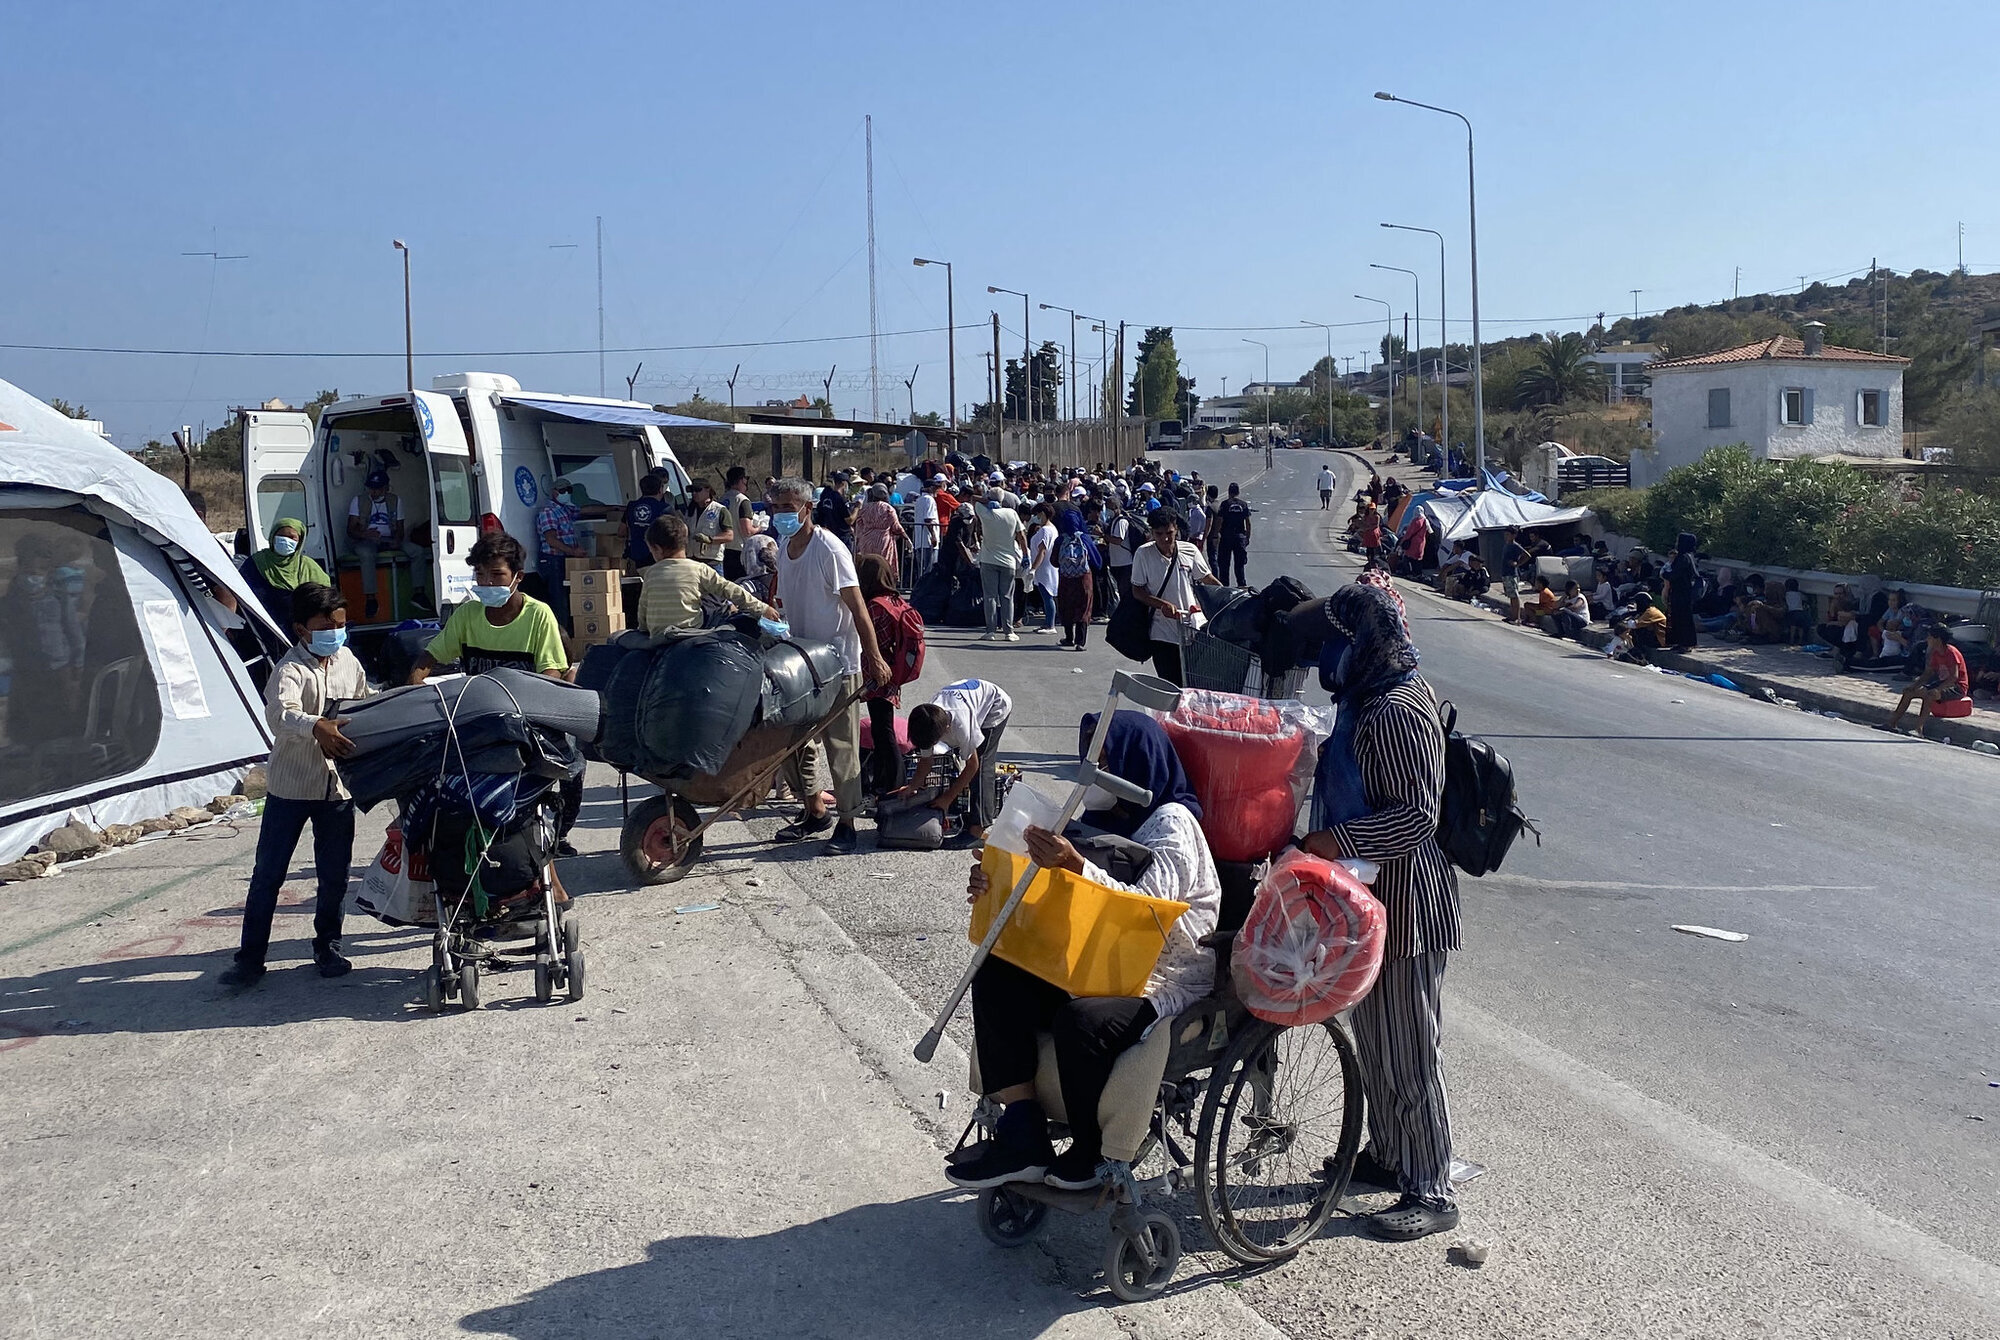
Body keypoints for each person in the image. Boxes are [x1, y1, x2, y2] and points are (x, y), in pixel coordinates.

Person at [947, 712, 1219, 1191]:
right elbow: (1054, 897)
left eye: (1106, 758)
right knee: (995, 973)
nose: (1092, 769)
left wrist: (1075, 866)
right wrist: (994, 879)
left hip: (1165, 973)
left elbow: (1149, 912)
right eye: (1090, 757)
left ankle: (1093, 1151)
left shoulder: (1172, 824)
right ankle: (1023, 1130)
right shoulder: (1095, 820)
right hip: (1102, 958)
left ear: (1136, 761)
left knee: (1082, 1022)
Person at [1297, 584, 1460, 1241]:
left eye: (1336, 640)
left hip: (1407, 902)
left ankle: (1431, 1186)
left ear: (1361, 641)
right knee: (1378, 1040)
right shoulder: (1366, 696)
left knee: (1409, 1052)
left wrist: (1338, 842)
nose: (1326, 655)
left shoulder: (1393, 708)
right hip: (1369, 899)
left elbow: (1417, 816)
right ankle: (1389, 1156)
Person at [217, 582, 369, 990]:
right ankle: (250, 960)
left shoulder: (348, 661)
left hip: (337, 789)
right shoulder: (289, 669)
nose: (336, 632)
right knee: (268, 875)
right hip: (290, 787)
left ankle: (328, 947)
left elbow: (363, 703)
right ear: (302, 629)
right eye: (327, 625)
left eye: (340, 624)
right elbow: (281, 716)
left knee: (334, 875)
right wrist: (315, 725)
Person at [407, 531, 579, 851]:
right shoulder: (468, 614)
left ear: (517, 577)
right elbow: (428, 659)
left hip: (528, 721)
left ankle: (559, 832)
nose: (486, 583)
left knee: (573, 764)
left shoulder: (538, 615)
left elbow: (551, 675)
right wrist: (413, 692)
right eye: (480, 575)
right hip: (479, 723)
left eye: (496, 574)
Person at [768, 478, 892, 855]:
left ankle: (848, 822)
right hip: (799, 662)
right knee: (791, 743)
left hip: (837, 662)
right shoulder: (787, 546)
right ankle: (814, 809)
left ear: (807, 508)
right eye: (777, 507)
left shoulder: (830, 549)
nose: (782, 514)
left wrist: (874, 657)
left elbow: (857, 608)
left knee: (841, 746)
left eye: (789, 507)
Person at [899, 677, 1012, 844]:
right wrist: (913, 786)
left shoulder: (961, 726)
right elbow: (926, 760)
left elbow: (973, 766)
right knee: (966, 760)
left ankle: (977, 829)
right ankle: (970, 812)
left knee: (982, 763)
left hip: (995, 705)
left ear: (946, 730)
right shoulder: (926, 719)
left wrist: (947, 798)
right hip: (969, 700)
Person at [635, 513, 775, 633]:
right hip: (691, 630)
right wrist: (763, 609)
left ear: (658, 549)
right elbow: (731, 590)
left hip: (658, 633)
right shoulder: (698, 569)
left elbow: (643, 608)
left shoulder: (651, 572)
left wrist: (643, 630)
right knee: (720, 606)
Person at [1130, 509, 1221, 687]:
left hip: (1193, 630)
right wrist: (1161, 604)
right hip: (1162, 633)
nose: (1165, 539)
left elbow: (1207, 579)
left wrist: (1229, 595)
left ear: (1176, 529)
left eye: (1169, 533)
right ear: (1151, 532)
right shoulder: (1143, 554)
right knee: (1171, 686)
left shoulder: (1190, 550)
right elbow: (1137, 591)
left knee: (1193, 686)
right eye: (1159, 534)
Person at [857, 554, 917, 796]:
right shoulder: (894, 600)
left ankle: (893, 784)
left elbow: (870, 640)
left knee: (883, 733)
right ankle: (883, 782)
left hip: (877, 674)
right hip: (893, 670)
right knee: (883, 730)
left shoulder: (874, 607)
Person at [347, 469, 427, 620]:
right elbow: (350, 531)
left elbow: (400, 529)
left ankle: (419, 593)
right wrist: (366, 534)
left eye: (378, 488)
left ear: (386, 488)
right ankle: (371, 599)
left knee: (417, 551)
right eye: (371, 488)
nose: (374, 492)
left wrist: (396, 540)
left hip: (388, 539)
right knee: (366, 554)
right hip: (366, 540)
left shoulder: (395, 501)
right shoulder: (358, 500)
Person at [242, 517, 331, 627]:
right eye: (281, 536)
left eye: (291, 537)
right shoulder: (256, 562)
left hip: (302, 628)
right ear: (273, 537)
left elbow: (324, 598)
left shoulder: (308, 566)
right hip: (264, 626)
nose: (285, 540)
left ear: (299, 541)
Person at [1882, 627, 1968, 733]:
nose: (1927, 639)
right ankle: (1891, 723)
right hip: (1942, 683)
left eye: (1930, 637)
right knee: (1909, 693)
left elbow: (1954, 677)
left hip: (1957, 687)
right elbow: (1928, 673)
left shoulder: (1951, 652)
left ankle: (1919, 729)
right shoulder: (1935, 652)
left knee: (1930, 695)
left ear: (1938, 639)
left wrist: (1938, 689)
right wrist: (1914, 686)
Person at [534, 475, 590, 629]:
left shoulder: (564, 509)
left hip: (563, 560)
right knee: (559, 602)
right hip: (552, 560)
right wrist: (573, 551)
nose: (566, 493)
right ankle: (560, 639)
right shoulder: (548, 512)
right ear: (554, 492)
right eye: (563, 490)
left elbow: (584, 510)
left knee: (567, 600)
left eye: (569, 489)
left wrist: (615, 508)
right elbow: (551, 540)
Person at [973, 487, 1024, 642]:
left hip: (988, 559)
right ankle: (1009, 631)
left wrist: (987, 500)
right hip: (1008, 561)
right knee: (1007, 596)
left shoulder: (986, 513)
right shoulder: (1012, 513)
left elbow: (974, 498)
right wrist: (1026, 554)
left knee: (990, 596)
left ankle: (991, 631)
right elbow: (1021, 535)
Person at [1052, 506, 1100, 651]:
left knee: (1067, 607)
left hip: (1066, 578)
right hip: (1084, 579)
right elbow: (1097, 562)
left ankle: (1068, 638)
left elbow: (1053, 561)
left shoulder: (1060, 539)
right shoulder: (1085, 538)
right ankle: (1080, 642)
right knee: (1084, 608)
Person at [853, 483, 908, 586]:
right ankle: (883, 586)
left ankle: (868, 586)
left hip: (867, 540)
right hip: (883, 540)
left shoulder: (864, 508)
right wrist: (905, 537)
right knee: (883, 564)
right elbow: (896, 526)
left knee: (869, 564)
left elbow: (858, 525)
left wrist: (860, 538)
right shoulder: (888, 508)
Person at [683, 478, 734, 573]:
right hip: (691, 561)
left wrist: (710, 539)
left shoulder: (719, 510)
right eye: (692, 491)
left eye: (698, 490)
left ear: (708, 490)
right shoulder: (690, 510)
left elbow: (729, 536)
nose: (694, 493)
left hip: (712, 563)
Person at [621, 472, 670, 568]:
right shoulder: (665, 509)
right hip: (658, 558)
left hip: (636, 557)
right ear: (660, 490)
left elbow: (621, 531)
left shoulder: (631, 506)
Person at [720, 466, 759, 582]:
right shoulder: (742, 501)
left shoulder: (722, 499)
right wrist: (759, 528)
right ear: (742, 480)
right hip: (740, 551)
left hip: (724, 549)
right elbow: (747, 530)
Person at [1026, 503, 1060, 634]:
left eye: (1037, 514)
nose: (1036, 517)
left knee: (1047, 595)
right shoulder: (1050, 529)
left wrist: (1033, 568)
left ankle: (1050, 625)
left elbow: (1042, 551)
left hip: (1045, 567)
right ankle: (1047, 623)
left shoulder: (1046, 530)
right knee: (1046, 595)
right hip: (1047, 566)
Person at [1666, 532, 1700, 651]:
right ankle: (1680, 642)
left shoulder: (1684, 558)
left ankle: (1686, 644)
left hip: (1683, 593)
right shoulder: (1687, 556)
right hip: (1681, 593)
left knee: (1684, 619)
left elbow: (1676, 574)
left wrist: (1665, 574)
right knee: (1678, 617)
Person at [1212, 483, 1252, 586]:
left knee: (1224, 565)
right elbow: (1247, 522)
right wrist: (1247, 537)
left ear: (1229, 492)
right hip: (1239, 538)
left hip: (1226, 537)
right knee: (1239, 566)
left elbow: (1220, 521)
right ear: (1238, 492)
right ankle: (1242, 587)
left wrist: (1216, 535)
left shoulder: (1225, 504)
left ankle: (1225, 588)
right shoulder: (1243, 505)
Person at [910, 475, 943, 584]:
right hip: (927, 541)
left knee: (923, 571)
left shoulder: (920, 500)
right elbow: (928, 519)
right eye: (935, 487)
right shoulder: (929, 500)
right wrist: (933, 536)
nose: (937, 490)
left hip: (920, 541)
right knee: (929, 571)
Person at [1501, 527, 1535, 625]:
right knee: (1511, 596)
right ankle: (1512, 615)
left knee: (1515, 596)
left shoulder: (1515, 546)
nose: (1506, 536)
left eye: (1508, 534)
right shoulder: (1507, 545)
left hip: (1511, 574)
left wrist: (1518, 563)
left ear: (1514, 535)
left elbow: (1527, 555)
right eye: (1505, 534)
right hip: (1505, 573)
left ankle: (1517, 618)